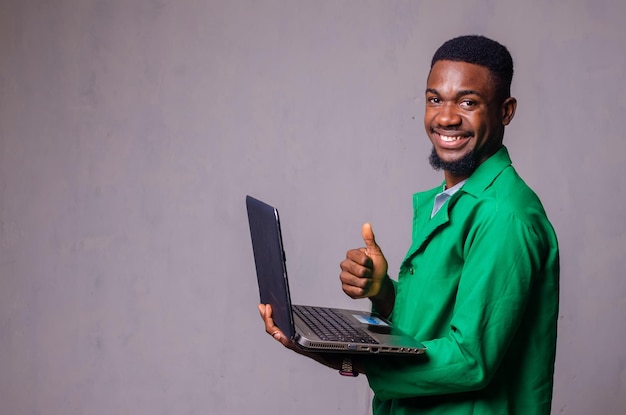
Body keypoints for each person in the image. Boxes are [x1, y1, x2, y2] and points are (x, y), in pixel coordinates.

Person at [259, 35, 559, 415]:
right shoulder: (453, 200)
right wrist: (383, 292)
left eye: (468, 102)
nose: (446, 117)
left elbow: (470, 358)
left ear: (505, 111)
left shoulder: (503, 216)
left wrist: (348, 358)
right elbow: (439, 321)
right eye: (435, 99)